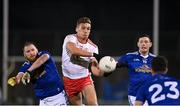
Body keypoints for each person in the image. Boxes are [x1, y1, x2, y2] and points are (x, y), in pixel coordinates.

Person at [8, 42, 67, 106]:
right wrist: (16, 79)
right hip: (43, 101)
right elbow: (20, 74)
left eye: (33, 50)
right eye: (28, 51)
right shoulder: (26, 65)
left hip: (58, 97)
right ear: (24, 55)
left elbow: (42, 59)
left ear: (37, 50)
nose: (31, 53)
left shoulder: (43, 54)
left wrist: (29, 71)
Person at [61, 17, 104, 105]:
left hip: (84, 78)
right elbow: (73, 50)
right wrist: (92, 55)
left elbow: (94, 69)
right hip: (69, 80)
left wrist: (103, 70)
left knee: (94, 104)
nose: (86, 31)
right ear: (77, 29)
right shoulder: (70, 38)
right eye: (83, 28)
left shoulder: (93, 47)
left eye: (88, 29)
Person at [115, 34, 155, 106]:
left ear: (150, 44)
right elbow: (115, 65)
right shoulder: (129, 56)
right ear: (138, 44)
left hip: (151, 94)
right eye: (141, 42)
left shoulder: (155, 59)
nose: (143, 44)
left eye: (146, 42)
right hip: (134, 94)